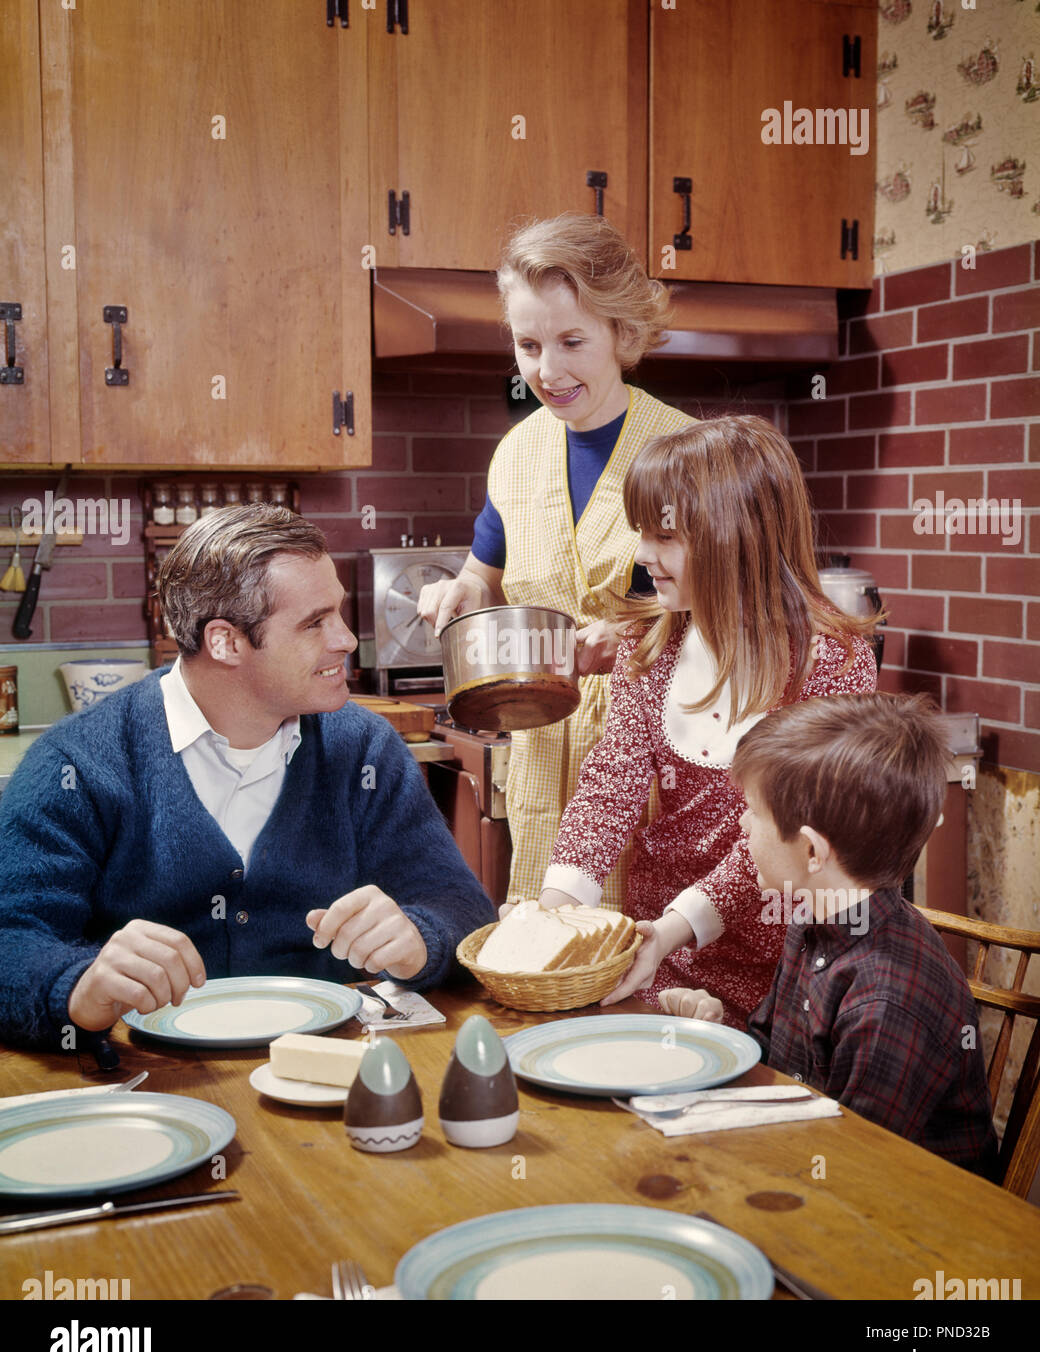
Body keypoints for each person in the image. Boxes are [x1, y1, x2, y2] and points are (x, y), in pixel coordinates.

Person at [0, 506, 494, 1050]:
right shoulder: (76, 763)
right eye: (314, 623)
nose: (348, 640)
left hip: (334, 1072)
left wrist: (422, 937)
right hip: (152, 1082)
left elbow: (465, 913)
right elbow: (12, 940)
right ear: (226, 642)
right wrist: (79, 986)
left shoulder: (365, 750)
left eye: (340, 614)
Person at [540, 415, 880, 1026]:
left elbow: (784, 836)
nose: (642, 556)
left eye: (663, 537)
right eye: (641, 534)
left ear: (735, 537)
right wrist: (557, 908)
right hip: (662, 959)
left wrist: (676, 926)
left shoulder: (829, 662)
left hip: (787, 971)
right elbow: (611, 783)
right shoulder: (649, 645)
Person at [418, 213, 696, 911]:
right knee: (553, 945)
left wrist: (634, 634)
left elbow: (734, 611)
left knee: (643, 961)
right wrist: (461, 592)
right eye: (528, 343)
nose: (548, 370)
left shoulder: (686, 453)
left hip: (653, 756)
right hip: (542, 746)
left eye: (572, 341)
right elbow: (486, 571)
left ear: (622, 335)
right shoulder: (516, 453)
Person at [661, 693, 998, 1177]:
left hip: (904, 1225)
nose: (742, 825)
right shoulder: (812, 921)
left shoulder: (886, 1002)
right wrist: (715, 1035)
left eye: (754, 813)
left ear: (814, 852)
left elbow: (847, 1170)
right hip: (809, 1164)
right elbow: (768, 1060)